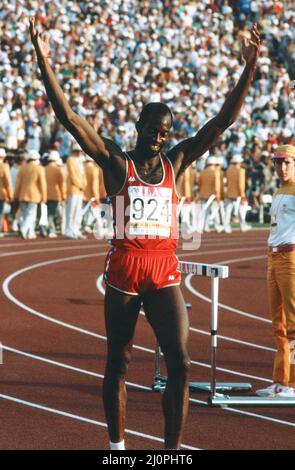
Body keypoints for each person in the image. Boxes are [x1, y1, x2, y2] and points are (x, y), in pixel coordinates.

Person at [29, 17, 260, 449]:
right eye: (153, 131)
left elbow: (221, 123)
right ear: (138, 129)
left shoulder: (176, 162)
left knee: (183, 363)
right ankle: (118, 448)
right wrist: (43, 58)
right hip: (124, 268)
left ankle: (171, 452)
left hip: (164, 268)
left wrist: (249, 67)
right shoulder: (118, 163)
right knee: (119, 361)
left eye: (166, 133)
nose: (159, 139)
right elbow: (69, 117)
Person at [256, 145, 295, 398]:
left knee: (293, 323)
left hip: (290, 257)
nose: (281, 167)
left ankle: (292, 384)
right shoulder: (279, 190)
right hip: (273, 257)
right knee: (278, 324)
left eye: (286, 163)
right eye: (278, 163)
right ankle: (281, 381)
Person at [14, 149, 47, 239]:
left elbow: (18, 183)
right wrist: (44, 196)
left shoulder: (22, 168)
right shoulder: (39, 168)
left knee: (24, 214)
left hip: (22, 194)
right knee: (30, 214)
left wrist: (16, 195)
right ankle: (24, 229)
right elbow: (42, 184)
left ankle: (30, 232)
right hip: (34, 195)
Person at [224, 154, 251, 233]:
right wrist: (242, 194)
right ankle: (243, 225)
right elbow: (241, 184)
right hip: (238, 193)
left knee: (228, 211)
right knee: (241, 210)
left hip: (229, 192)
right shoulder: (241, 170)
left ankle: (226, 226)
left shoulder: (228, 170)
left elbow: (227, 182)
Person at [45, 149, 66, 238]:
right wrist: (63, 195)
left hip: (45, 194)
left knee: (49, 213)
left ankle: (50, 229)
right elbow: (62, 184)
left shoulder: (44, 169)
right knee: (53, 214)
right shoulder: (58, 170)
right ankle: (51, 230)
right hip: (55, 194)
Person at [0, 147, 13, 237]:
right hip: (1, 193)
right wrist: (10, 194)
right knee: (0, 212)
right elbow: (8, 181)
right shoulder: (4, 166)